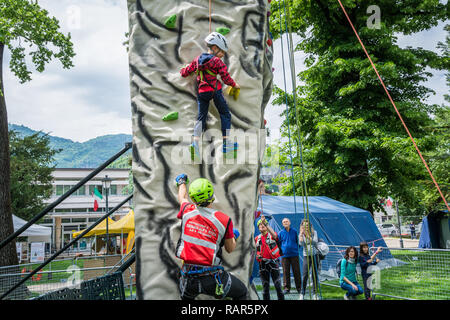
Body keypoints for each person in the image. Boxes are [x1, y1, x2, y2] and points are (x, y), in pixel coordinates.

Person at [174, 173, 247, 300]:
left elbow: (182, 197)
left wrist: (181, 182)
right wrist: (234, 236)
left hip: (188, 277)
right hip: (212, 278)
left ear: (193, 199)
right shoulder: (224, 220)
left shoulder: (187, 210)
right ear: (212, 195)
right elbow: (230, 249)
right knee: (242, 292)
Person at [180, 32, 240, 160]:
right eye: (221, 52)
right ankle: (226, 143)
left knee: (201, 117)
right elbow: (225, 77)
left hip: (202, 93)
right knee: (225, 114)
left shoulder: (197, 60)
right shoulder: (217, 62)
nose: (222, 55)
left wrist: (183, 71)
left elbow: (187, 71)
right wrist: (234, 85)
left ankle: (195, 143)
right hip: (215, 91)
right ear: (214, 48)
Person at [255, 215, 284, 300]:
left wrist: (266, 223)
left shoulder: (271, 235)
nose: (262, 226)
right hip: (263, 264)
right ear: (258, 228)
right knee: (265, 287)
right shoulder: (257, 238)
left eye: (263, 225)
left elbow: (275, 236)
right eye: (260, 225)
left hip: (273, 263)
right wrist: (257, 256)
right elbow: (255, 250)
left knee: (278, 286)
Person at [278, 218, 302, 294]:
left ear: (290, 222)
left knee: (296, 271)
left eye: (287, 221)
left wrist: (295, 249)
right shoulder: (281, 233)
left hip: (294, 254)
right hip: (285, 256)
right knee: (285, 272)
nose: (285, 223)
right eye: (284, 222)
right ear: (282, 224)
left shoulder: (294, 231)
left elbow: (298, 242)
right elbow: (278, 243)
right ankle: (286, 288)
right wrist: (281, 252)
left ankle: (299, 288)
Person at [298, 219, 320, 300]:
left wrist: (307, 236)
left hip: (315, 255)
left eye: (307, 225)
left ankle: (315, 294)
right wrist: (301, 235)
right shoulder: (301, 234)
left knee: (315, 275)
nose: (306, 227)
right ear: (302, 226)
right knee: (305, 275)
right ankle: (302, 293)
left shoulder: (314, 232)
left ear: (310, 226)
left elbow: (315, 242)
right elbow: (301, 244)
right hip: (306, 256)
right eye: (304, 225)